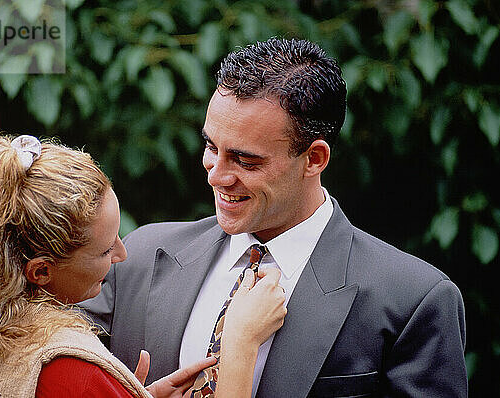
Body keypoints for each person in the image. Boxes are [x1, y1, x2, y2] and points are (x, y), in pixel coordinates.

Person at [81, 37, 467, 397]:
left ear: (314, 159)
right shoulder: (137, 256)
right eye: (211, 146)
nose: (216, 174)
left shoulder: (413, 300)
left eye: (245, 159)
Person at [0, 135, 286, 398]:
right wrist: (240, 345)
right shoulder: (68, 369)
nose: (122, 255)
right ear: (41, 271)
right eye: (102, 251)